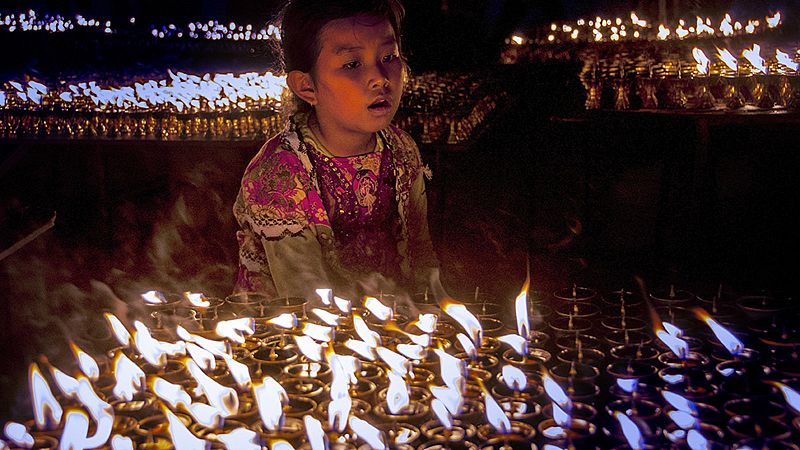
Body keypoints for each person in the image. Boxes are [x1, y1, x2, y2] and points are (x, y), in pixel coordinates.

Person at [233, 0, 440, 303]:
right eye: (352, 64)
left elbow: (421, 255)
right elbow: (306, 296)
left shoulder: (400, 149)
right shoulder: (279, 173)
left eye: (389, 56)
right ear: (307, 86)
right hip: (292, 332)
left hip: (390, 325)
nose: (381, 77)